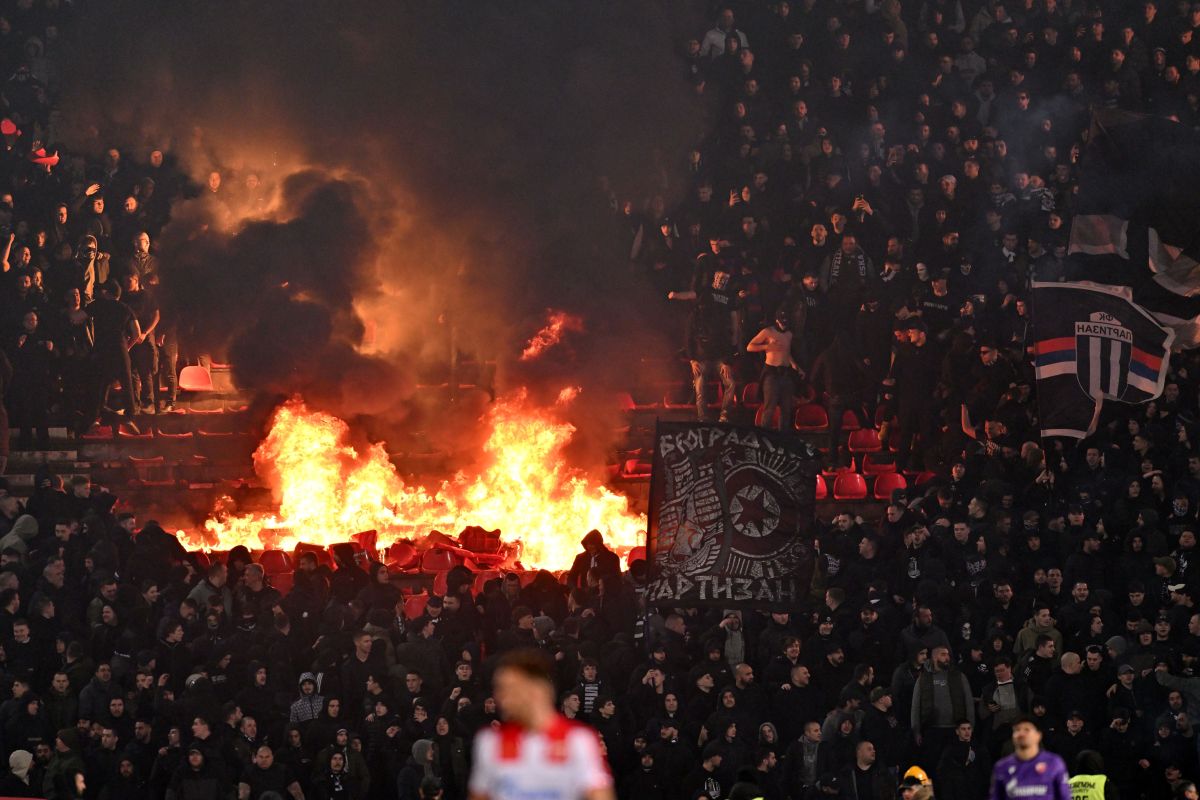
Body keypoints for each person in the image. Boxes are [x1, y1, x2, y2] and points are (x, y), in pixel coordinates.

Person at [467, 649, 614, 800]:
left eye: (509, 689)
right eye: (499, 689)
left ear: (537, 690)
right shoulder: (490, 742)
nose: (500, 697)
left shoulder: (579, 740)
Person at [746, 307, 803, 429]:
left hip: (786, 373)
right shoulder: (768, 332)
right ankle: (765, 438)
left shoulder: (789, 334)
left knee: (786, 409)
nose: (784, 326)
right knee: (769, 408)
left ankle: (782, 439)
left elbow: (786, 352)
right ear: (777, 320)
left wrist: (795, 366)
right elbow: (749, 347)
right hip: (771, 373)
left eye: (786, 323)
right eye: (782, 323)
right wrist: (767, 346)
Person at [989, 716, 1071, 800]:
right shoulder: (1002, 767)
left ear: (1038, 735)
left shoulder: (1054, 763)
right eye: (1017, 730)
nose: (1021, 733)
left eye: (1027, 730)